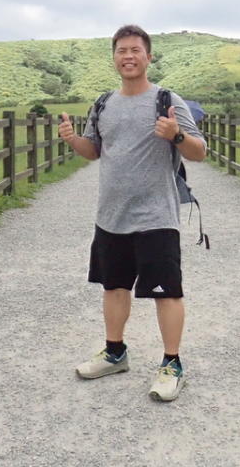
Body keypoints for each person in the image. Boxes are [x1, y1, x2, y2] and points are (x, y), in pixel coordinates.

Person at [58, 24, 207, 402]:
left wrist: (175, 134)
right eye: (121, 50)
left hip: (157, 216)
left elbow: (199, 152)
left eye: (135, 50)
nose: (128, 56)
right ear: (114, 57)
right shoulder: (103, 103)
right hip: (111, 216)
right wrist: (73, 139)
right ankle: (115, 352)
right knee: (114, 286)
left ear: (148, 56)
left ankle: (172, 364)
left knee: (167, 293)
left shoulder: (167, 100)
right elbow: (93, 151)